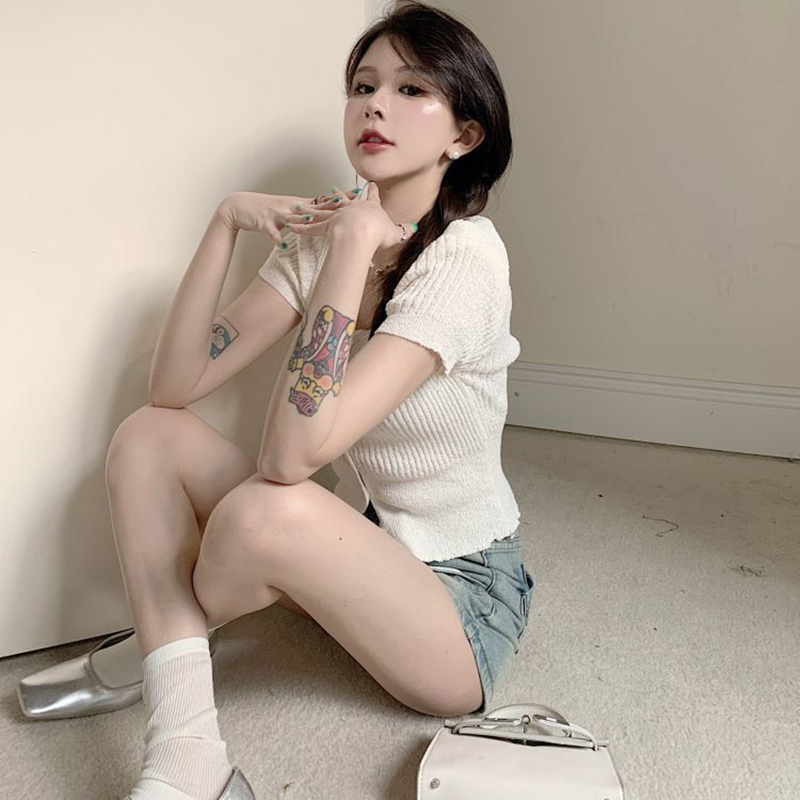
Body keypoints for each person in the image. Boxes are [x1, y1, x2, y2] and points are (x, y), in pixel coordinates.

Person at [17, 2, 535, 799]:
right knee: (148, 436)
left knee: (263, 512)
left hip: (462, 598)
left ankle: (162, 643)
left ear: (463, 136)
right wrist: (226, 221)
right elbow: (174, 387)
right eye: (363, 86)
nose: (375, 105)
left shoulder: (466, 260)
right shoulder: (328, 233)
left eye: (411, 90)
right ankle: (189, 750)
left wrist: (354, 242)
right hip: (366, 541)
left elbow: (290, 457)